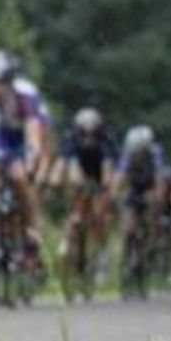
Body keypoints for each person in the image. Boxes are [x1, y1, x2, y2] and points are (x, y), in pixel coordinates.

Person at [0, 50, 47, 246]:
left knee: (19, 176)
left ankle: (34, 228)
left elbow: (33, 133)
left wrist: (32, 159)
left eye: (0, 82)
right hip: (2, 141)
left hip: (23, 142)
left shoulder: (24, 97)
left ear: (10, 81)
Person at [50, 107, 117, 259]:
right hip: (80, 167)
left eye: (93, 134)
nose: (88, 138)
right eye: (84, 134)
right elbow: (62, 163)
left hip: (99, 169)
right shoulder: (71, 138)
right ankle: (69, 235)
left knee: (101, 210)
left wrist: (107, 188)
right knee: (76, 191)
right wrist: (55, 182)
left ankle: (101, 250)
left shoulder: (106, 140)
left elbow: (108, 168)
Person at [110, 125, 169, 251]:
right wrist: (113, 197)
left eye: (140, 151)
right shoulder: (127, 154)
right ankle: (128, 251)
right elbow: (119, 176)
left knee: (153, 202)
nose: (137, 154)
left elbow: (160, 179)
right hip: (135, 188)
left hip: (150, 186)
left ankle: (154, 236)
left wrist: (159, 200)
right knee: (129, 226)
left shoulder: (156, 153)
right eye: (134, 150)